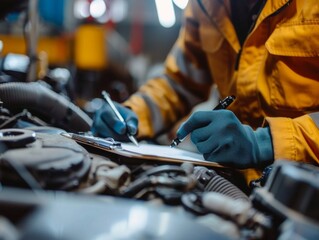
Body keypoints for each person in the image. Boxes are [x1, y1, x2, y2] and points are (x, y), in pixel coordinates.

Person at [92, 0, 319, 183]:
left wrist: (266, 142)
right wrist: (134, 113)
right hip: (233, 179)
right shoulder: (206, 5)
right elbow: (178, 82)